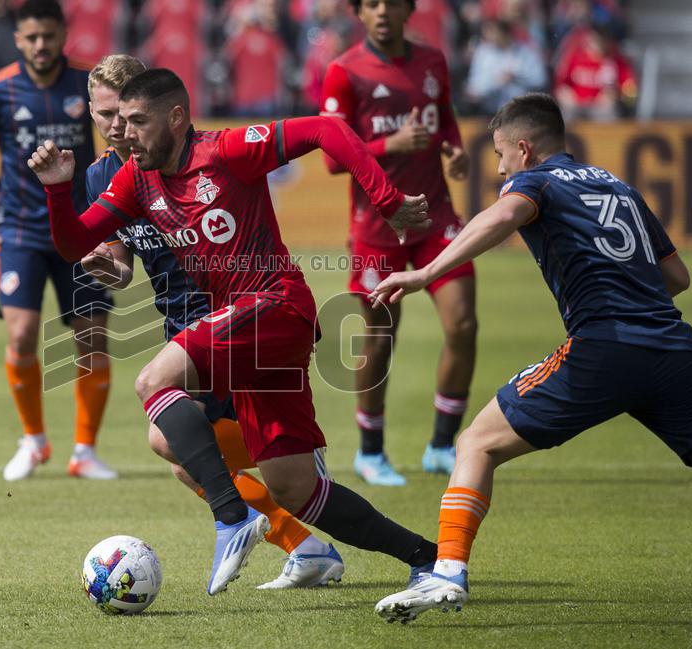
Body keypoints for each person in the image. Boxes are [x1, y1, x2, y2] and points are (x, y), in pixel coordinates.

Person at [29, 67, 439, 598]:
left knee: (153, 382)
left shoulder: (225, 150)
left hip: (275, 303)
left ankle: (231, 518)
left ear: (176, 117)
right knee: (296, 489)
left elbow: (325, 130)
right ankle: (427, 560)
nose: (123, 132)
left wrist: (388, 200)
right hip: (245, 332)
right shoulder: (133, 177)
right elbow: (73, 244)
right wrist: (58, 190)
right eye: (115, 120)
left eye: (135, 121)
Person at [372, 93, 692, 622]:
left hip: (603, 348)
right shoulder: (619, 186)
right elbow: (676, 277)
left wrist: (424, 274)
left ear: (524, 149)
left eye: (501, 153)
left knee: (477, 442)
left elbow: (506, 214)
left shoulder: (535, 181)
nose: (499, 165)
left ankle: (446, 575)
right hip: (671, 349)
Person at [79, 53, 345, 590]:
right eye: (103, 113)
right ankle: (305, 539)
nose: (115, 126)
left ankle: (286, 493)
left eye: (124, 113)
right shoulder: (102, 176)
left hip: (230, 314)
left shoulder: (189, 157)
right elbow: (122, 262)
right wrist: (107, 266)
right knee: (186, 456)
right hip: (178, 324)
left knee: (169, 441)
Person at [0, 0, 116, 482]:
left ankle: (84, 450)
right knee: (22, 334)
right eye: (31, 38)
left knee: (92, 337)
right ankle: (34, 440)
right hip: (20, 230)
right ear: (18, 40)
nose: (41, 46)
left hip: (82, 229)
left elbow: (115, 141)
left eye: (48, 35)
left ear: (62, 34)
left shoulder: (88, 85)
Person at [320, 0, 478, 486]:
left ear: (409, 8)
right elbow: (330, 158)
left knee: (464, 324)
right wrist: (391, 145)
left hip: (436, 217)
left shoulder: (432, 61)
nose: (382, 12)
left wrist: (454, 150)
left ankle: (440, 446)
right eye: (371, 4)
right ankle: (371, 452)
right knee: (379, 339)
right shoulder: (344, 71)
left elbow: (444, 119)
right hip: (378, 228)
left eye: (391, 3)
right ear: (358, 13)